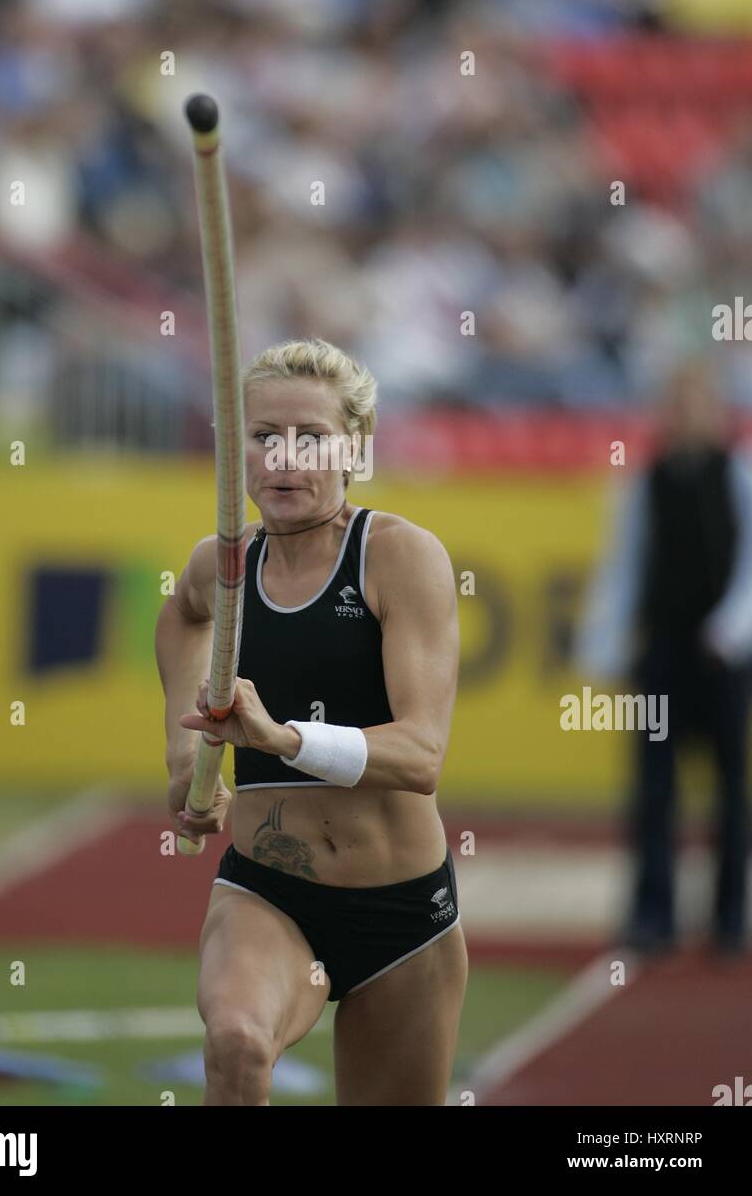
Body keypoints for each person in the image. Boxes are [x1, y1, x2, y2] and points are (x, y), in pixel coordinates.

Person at [155, 338, 467, 1105]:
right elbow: (179, 620)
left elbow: (422, 754)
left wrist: (279, 739)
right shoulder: (222, 568)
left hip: (403, 915)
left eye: (311, 438)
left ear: (353, 449)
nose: (285, 458)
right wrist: (178, 753)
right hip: (269, 892)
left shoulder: (398, 556)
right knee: (234, 1043)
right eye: (265, 437)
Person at [576, 356, 752, 955]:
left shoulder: (740, 476)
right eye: (673, 402)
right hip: (663, 653)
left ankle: (730, 915)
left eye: (694, 401)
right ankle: (654, 913)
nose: (683, 414)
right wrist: (603, 644)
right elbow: (623, 569)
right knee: (653, 789)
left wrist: (729, 630)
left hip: (725, 660)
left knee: (731, 787)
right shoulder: (641, 482)